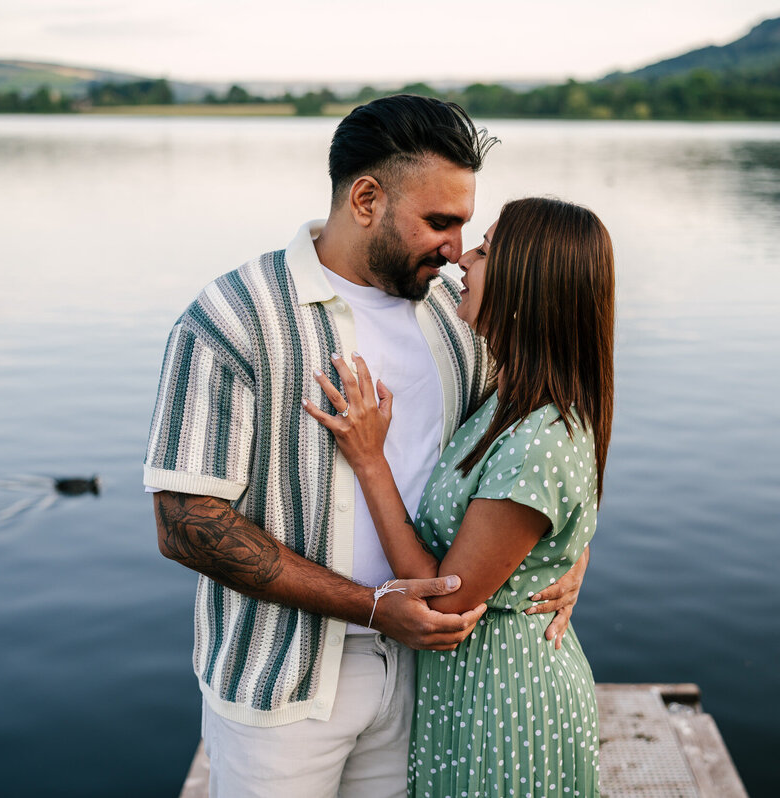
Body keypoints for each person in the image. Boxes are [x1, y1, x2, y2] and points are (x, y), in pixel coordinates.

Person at [144, 96, 587, 798]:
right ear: (367, 198)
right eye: (439, 222)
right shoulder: (233, 317)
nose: (453, 248)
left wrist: (570, 554)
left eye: (465, 225)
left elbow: (542, 444)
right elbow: (184, 524)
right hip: (279, 691)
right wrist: (373, 607)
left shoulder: (459, 319)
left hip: (428, 684)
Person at [305, 196, 614, 797]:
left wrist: (370, 460)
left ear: (528, 285)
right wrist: (573, 552)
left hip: (507, 707)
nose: (462, 260)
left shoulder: (539, 439)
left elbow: (445, 603)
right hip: (466, 693)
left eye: (487, 249)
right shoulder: (509, 397)